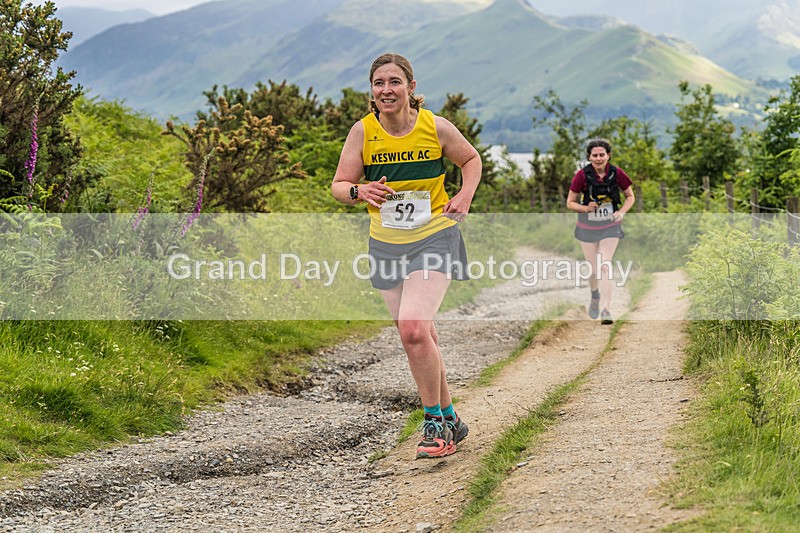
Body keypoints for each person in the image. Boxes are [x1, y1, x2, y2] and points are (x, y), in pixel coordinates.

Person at [331, 53, 481, 459]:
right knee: (420, 333)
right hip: (386, 243)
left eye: (394, 82)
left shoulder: (435, 126)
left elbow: (470, 159)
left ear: (411, 88)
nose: (386, 90)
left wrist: (465, 194)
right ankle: (450, 417)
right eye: (379, 83)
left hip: (434, 236)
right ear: (372, 90)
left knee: (414, 329)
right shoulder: (363, 132)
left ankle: (434, 423)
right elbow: (340, 184)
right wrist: (360, 191)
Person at [566, 139, 635, 325]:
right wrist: (585, 208)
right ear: (589, 157)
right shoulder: (581, 175)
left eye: (601, 155)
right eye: (594, 155)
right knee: (593, 269)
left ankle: (606, 309)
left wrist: (622, 212)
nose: (598, 158)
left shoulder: (617, 173)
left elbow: (630, 196)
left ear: (608, 155)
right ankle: (594, 294)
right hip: (587, 227)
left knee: (604, 265)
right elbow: (570, 203)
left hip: (610, 226)